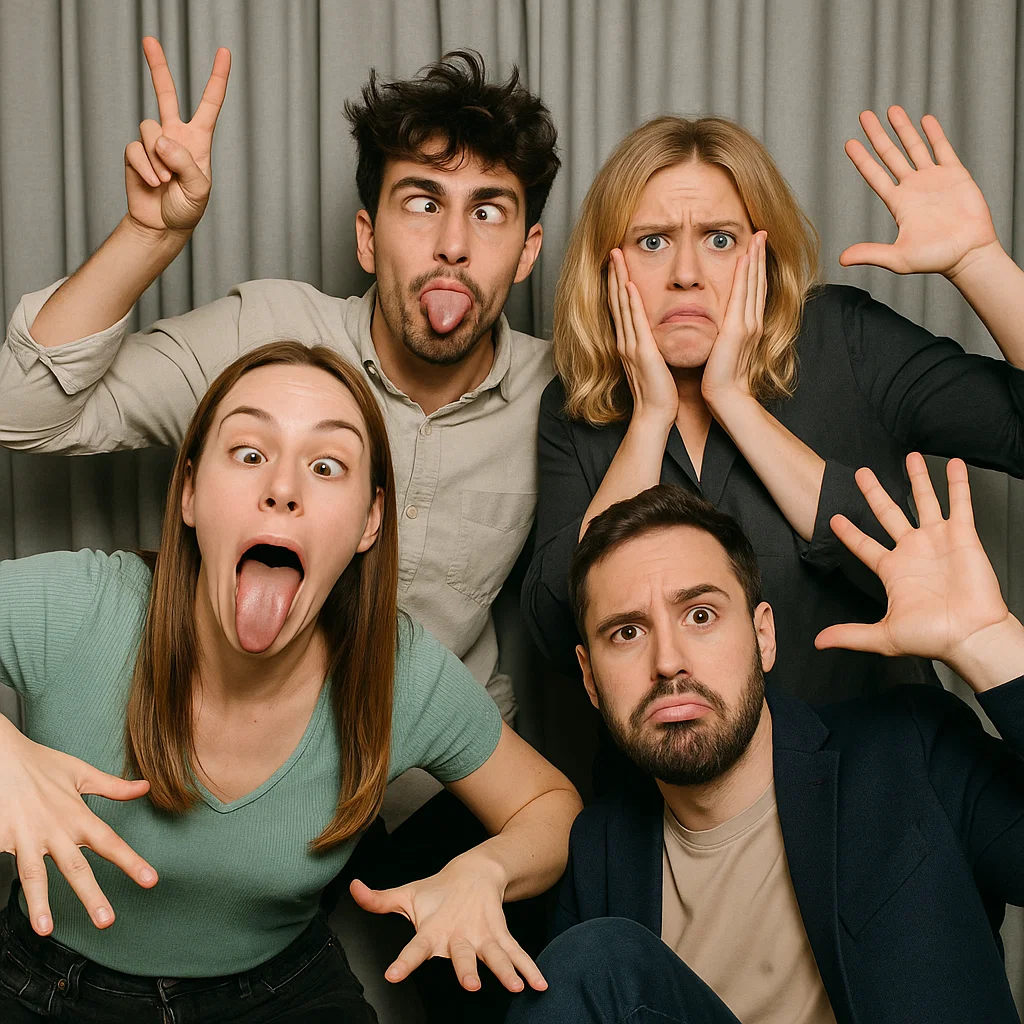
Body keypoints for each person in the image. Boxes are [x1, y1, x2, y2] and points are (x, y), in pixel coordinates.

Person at [0, 38, 561, 1016]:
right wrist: (147, 237)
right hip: (199, 744)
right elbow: (20, 411)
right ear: (366, 236)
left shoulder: (567, 397)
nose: (452, 244)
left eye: (488, 212)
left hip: (418, 776)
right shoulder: (263, 340)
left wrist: (485, 867)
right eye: (421, 202)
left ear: (528, 249)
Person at [0, 341, 581, 1022]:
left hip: (279, 996)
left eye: (326, 466)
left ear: (369, 522)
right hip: (45, 987)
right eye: (250, 454)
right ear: (190, 493)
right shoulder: (83, 607)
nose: (283, 488)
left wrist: (487, 871)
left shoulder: (396, 672)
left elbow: (551, 806)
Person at [522, 108, 1024, 703]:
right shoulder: (576, 407)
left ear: (763, 256)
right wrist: (651, 420)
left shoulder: (844, 338)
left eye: (720, 240)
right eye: (653, 242)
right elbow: (558, 631)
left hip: (888, 751)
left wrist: (977, 261)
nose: (686, 274)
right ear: (608, 264)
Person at [507, 460, 1024, 1024]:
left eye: (700, 615)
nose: (668, 661)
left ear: (763, 636)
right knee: (592, 958)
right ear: (589, 678)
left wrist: (991, 644)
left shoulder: (909, 750)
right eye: (627, 632)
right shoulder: (600, 852)